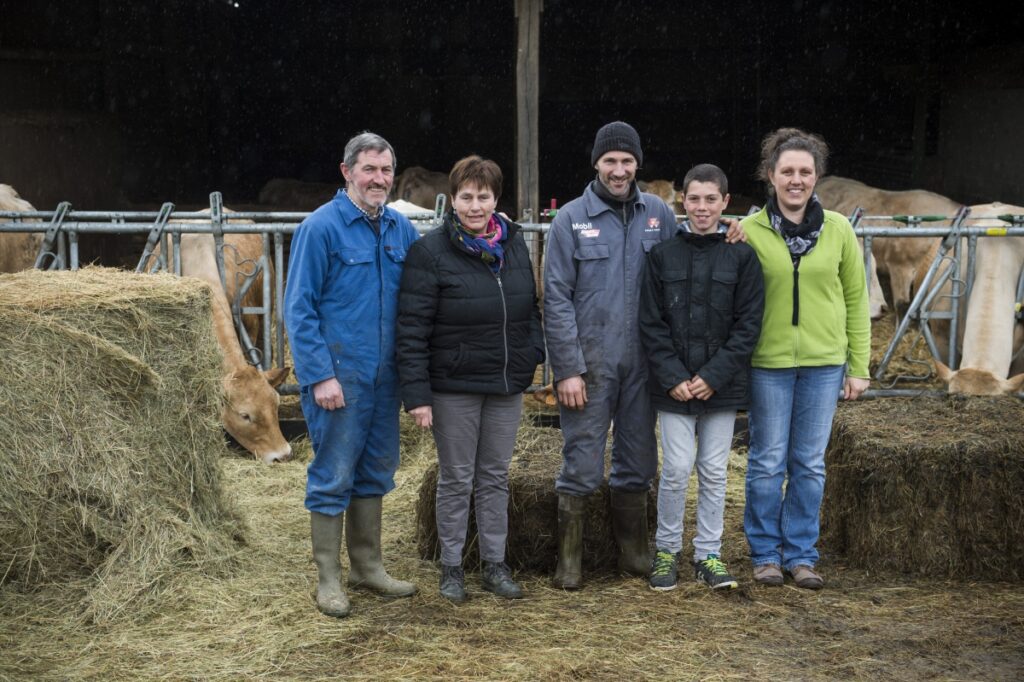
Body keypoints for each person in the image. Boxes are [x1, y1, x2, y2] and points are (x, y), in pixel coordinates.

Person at [543, 121, 744, 589]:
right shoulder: (570, 219)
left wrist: (739, 230)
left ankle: (633, 553)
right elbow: (553, 296)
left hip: (646, 361)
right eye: (610, 161)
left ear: (637, 165)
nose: (619, 170)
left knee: (638, 459)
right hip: (590, 363)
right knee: (583, 459)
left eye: (627, 161)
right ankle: (568, 561)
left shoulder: (656, 211)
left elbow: (698, 240)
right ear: (596, 163)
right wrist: (567, 368)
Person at [284, 131, 419, 618]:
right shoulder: (321, 228)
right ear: (347, 173)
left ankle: (367, 566)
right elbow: (298, 308)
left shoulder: (402, 230)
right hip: (339, 376)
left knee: (376, 470)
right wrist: (319, 374)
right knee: (333, 472)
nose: (379, 179)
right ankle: (328, 578)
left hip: (385, 378)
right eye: (369, 169)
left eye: (386, 170)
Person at [397, 155, 544, 603]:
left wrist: (531, 354)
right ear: (452, 200)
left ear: (496, 199)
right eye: (467, 197)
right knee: (458, 477)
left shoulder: (514, 246)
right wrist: (418, 395)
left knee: (495, 476)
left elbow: (530, 309)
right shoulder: (431, 252)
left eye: (484, 196)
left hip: (504, 385)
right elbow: (412, 327)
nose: (475, 206)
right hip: (454, 386)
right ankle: (452, 567)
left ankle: (495, 565)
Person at [741, 128, 870, 590]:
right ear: (770, 176)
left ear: (817, 177)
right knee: (767, 460)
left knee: (810, 462)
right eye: (787, 171)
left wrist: (859, 366)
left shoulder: (838, 230)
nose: (796, 180)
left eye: (805, 172)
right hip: (768, 362)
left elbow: (856, 299)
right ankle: (764, 553)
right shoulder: (748, 231)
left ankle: (800, 554)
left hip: (823, 362)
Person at [639, 164, 764, 591]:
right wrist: (674, 375)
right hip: (673, 385)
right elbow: (651, 322)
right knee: (675, 467)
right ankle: (667, 551)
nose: (702, 207)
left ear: (727, 203)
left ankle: (709, 553)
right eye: (694, 199)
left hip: (722, 386)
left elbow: (748, 325)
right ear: (682, 202)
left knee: (713, 469)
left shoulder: (742, 256)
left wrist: (713, 375)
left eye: (712, 199)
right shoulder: (662, 256)